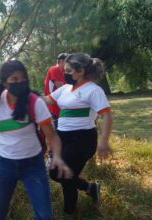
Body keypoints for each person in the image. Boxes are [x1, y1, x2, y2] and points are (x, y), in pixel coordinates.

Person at [0, 60, 72, 220]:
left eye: (22, 78)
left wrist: (57, 156)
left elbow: (52, 135)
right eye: (14, 79)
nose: (19, 82)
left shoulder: (34, 102)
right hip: (5, 165)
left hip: (33, 166)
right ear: (5, 82)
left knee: (44, 214)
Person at [44, 53, 114, 215]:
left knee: (66, 176)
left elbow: (107, 115)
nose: (64, 73)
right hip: (62, 138)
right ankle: (90, 188)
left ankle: (69, 213)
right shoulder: (65, 89)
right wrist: (26, 97)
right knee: (55, 173)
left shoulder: (93, 90)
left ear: (80, 70)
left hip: (82, 139)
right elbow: (46, 100)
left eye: (68, 71)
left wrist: (104, 141)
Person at [44, 53, 68, 127]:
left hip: (56, 104)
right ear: (61, 61)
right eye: (67, 62)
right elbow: (61, 88)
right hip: (54, 105)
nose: (69, 64)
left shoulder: (62, 71)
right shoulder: (55, 69)